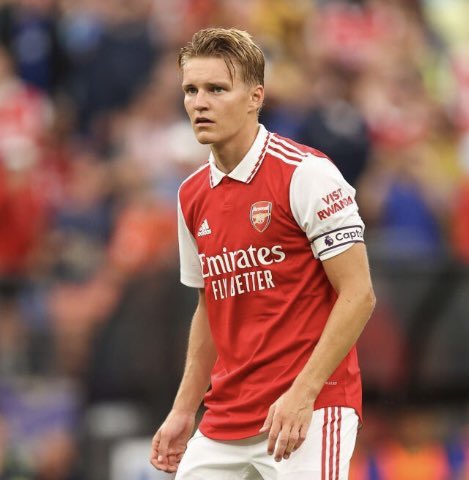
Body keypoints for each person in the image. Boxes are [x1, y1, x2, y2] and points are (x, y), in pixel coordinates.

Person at [150, 28, 376, 479]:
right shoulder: (190, 194)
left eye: (216, 89)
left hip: (310, 409)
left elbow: (359, 294)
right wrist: (182, 410)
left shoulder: (307, 175)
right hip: (226, 418)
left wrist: (303, 392)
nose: (199, 102)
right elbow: (209, 307)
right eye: (191, 90)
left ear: (255, 97)